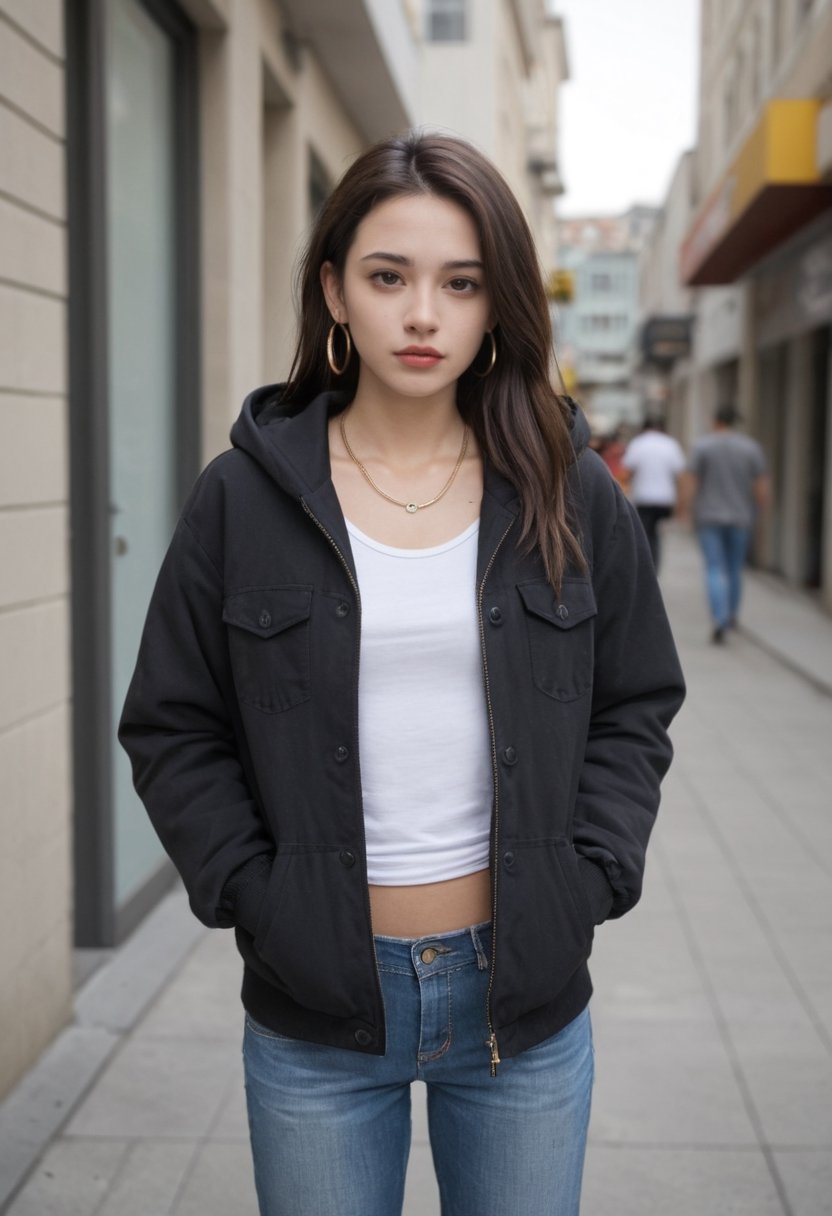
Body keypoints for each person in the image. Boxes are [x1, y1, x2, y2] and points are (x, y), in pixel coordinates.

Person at [119, 133, 685, 1216]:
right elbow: (173, 724)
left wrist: (593, 871)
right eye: (389, 277)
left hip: (520, 997)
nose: (423, 315)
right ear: (335, 290)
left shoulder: (568, 490)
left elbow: (634, 700)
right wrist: (256, 895)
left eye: (460, 284)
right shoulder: (242, 497)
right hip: (317, 1003)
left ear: (495, 305)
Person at [686, 403, 769, 644]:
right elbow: (761, 487)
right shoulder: (751, 448)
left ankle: (719, 619)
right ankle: (732, 615)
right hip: (741, 518)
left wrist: (686, 510)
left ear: (716, 421)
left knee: (714, 568)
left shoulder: (703, 446)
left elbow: (692, 481)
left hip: (709, 517)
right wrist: (760, 514)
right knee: (734, 569)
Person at [622, 416, 686, 568]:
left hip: (643, 497)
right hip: (665, 499)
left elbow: (628, 470)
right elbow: (680, 475)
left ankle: (646, 565)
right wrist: (681, 505)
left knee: (644, 534)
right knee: (656, 534)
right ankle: (655, 565)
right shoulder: (671, 444)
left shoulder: (637, 443)